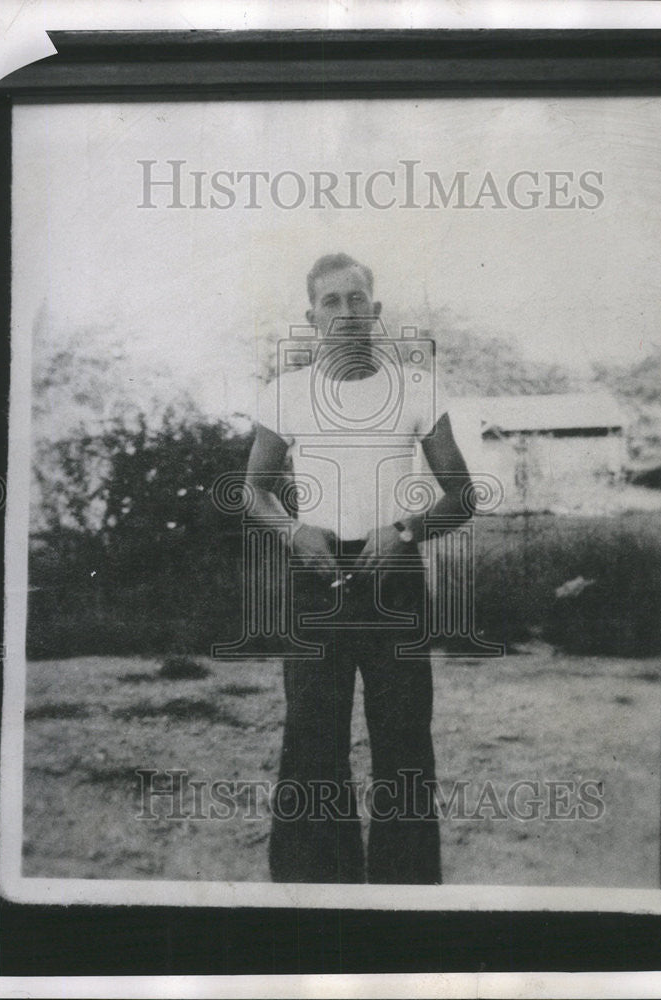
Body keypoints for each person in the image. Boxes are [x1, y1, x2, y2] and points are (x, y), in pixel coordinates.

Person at [245, 253, 474, 884]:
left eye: (356, 301)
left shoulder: (418, 387)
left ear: (375, 311)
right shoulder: (284, 392)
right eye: (331, 302)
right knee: (312, 743)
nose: (345, 313)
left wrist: (406, 531)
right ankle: (315, 898)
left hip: (394, 579)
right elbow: (254, 491)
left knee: (403, 743)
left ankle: (406, 900)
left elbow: (462, 495)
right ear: (312, 316)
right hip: (315, 578)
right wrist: (294, 532)